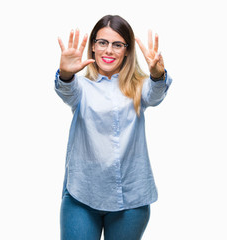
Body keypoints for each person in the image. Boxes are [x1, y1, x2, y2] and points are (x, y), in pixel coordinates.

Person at [55, 15, 172, 240]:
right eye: (102, 43)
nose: (109, 50)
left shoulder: (139, 86)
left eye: (117, 44)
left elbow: (155, 94)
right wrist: (67, 74)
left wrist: (157, 74)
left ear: (127, 51)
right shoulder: (81, 87)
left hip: (131, 200)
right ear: (93, 47)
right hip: (82, 196)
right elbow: (66, 90)